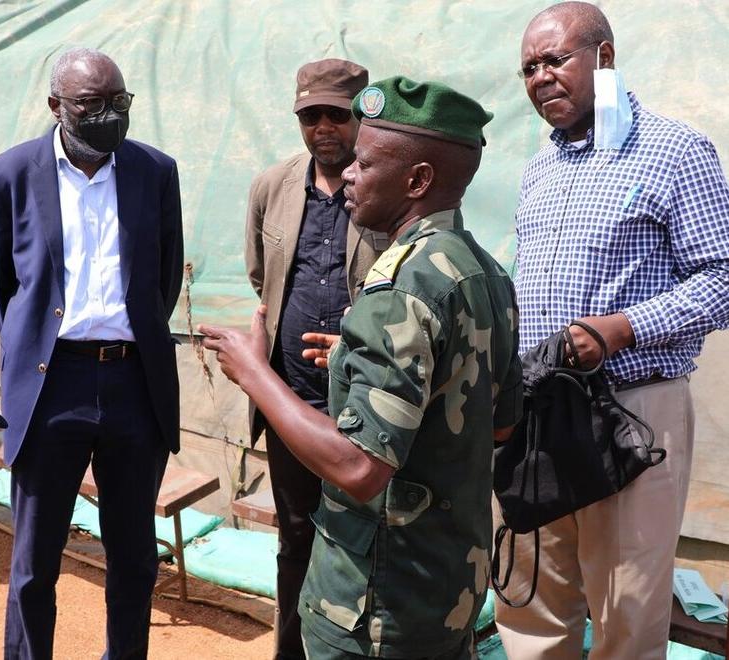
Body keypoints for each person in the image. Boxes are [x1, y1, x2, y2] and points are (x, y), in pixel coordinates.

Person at [201, 75, 521, 660]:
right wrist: (353, 359)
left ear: (417, 181)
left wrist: (254, 372)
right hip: (448, 586)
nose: (347, 173)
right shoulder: (484, 271)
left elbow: (358, 467)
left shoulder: (399, 291)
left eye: (365, 164)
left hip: (376, 606)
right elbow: (498, 423)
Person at [494, 3, 729, 658]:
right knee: (533, 596)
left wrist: (622, 328)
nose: (540, 77)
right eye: (528, 68)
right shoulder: (540, 169)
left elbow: (722, 278)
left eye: (555, 59)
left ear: (605, 58)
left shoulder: (674, 151)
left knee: (625, 608)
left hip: (631, 412)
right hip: (541, 412)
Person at [0, 47, 183, 660]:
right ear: (55, 105)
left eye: (119, 101)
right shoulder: (8, 176)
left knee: (134, 558)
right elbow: (0, 289)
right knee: (35, 560)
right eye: (91, 104)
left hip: (133, 384)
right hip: (51, 385)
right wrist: (40, 347)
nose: (108, 115)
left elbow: (164, 277)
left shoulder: (155, 171)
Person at [243, 57, 388, 660]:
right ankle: (291, 651)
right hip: (293, 399)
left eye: (336, 114)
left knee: (371, 538)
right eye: (311, 117)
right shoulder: (273, 186)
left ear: (362, 117)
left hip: (370, 403)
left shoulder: (386, 185)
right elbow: (262, 276)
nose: (323, 128)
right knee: (296, 534)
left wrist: (356, 342)